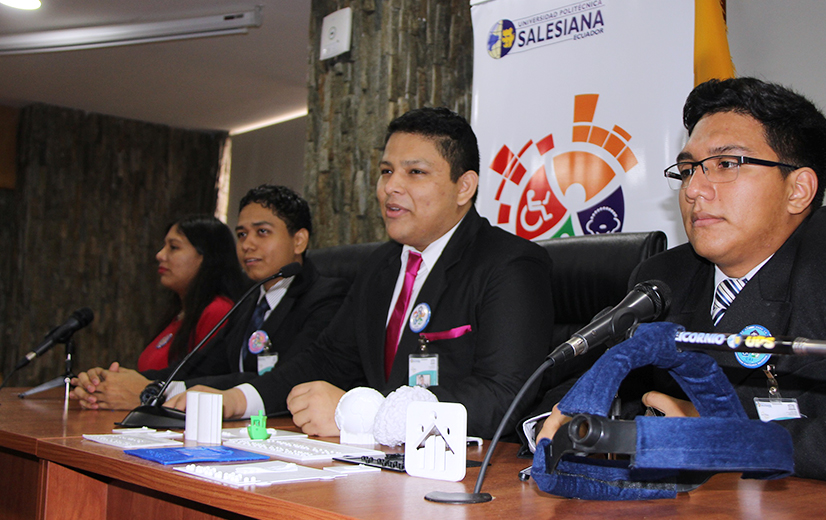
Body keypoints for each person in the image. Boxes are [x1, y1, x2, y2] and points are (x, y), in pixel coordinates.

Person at [539, 77, 826, 491]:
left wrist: (725, 437)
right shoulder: (664, 278)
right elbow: (571, 397)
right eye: (688, 170)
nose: (695, 190)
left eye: (726, 164)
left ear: (798, 190)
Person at [167, 107, 554, 439]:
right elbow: (326, 359)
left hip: (461, 474)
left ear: (464, 186)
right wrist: (241, 398)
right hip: (377, 465)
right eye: (386, 171)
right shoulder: (380, 267)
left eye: (414, 172)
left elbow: (504, 395)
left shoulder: (509, 264)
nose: (390, 188)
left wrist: (369, 414)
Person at [72, 185, 350, 409]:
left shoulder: (327, 298)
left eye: (262, 232)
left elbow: (283, 377)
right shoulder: (247, 302)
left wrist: (157, 391)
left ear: (299, 240)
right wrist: (119, 382)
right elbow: (200, 365)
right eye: (241, 234)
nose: (247, 244)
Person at [70, 215, 247, 406]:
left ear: (206, 257)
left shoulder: (218, 310)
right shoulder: (180, 313)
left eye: (174, 247)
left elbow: (200, 378)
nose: (160, 255)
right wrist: (102, 383)